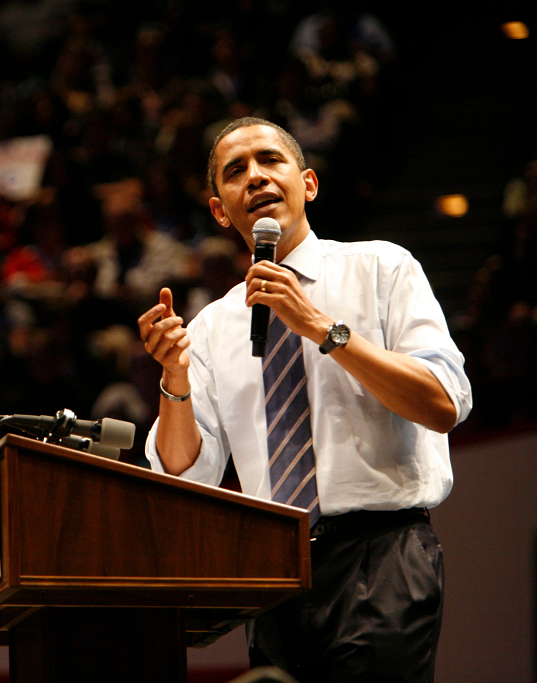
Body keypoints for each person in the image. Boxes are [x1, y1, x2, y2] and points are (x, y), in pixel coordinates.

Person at [137, 117, 472, 683]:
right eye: (236, 171)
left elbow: (443, 401)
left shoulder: (382, 267)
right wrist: (175, 379)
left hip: (381, 555)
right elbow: (187, 476)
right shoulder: (213, 326)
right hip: (273, 576)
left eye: (271, 161)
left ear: (308, 183)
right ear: (220, 209)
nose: (256, 177)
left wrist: (321, 328)